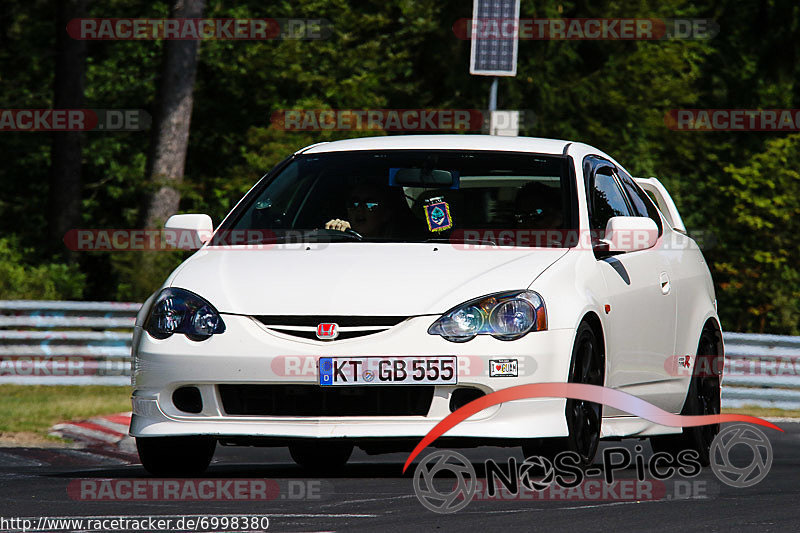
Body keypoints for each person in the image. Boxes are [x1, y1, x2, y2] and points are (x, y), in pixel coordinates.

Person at [324, 182, 412, 239]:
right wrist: (334, 234)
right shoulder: (334, 245)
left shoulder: (401, 247)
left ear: (386, 214)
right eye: (354, 204)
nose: (359, 209)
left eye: (370, 205)